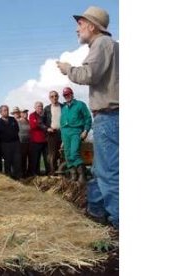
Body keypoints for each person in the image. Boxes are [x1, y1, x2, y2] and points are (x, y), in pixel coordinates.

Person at [56, 6, 119, 228]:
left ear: (91, 26)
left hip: (109, 116)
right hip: (111, 117)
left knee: (109, 172)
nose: (77, 29)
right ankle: (96, 211)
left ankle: (117, 222)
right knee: (101, 170)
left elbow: (89, 74)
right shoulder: (114, 47)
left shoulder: (101, 44)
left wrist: (68, 69)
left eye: (80, 24)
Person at [60, 87, 92, 183]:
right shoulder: (64, 108)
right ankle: (74, 175)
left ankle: (82, 175)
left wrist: (85, 130)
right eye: (65, 95)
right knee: (67, 155)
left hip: (75, 131)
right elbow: (62, 123)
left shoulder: (80, 105)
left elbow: (88, 118)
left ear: (72, 94)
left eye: (68, 94)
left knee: (74, 153)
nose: (67, 96)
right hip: (65, 133)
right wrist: (62, 140)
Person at [0, 105, 22, 179]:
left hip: (15, 143)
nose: (6, 111)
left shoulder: (13, 119)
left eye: (7, 110)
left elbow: (17, 129)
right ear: (0, 112)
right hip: (5, 145)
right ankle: (9, 178)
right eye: (4, 110)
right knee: (7, 161)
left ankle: (18, 178)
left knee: (17, 161)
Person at [43, 90, 64, 175]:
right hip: (52, 134)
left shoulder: (63, 106)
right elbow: (41, 122)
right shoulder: (47, 108)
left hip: (63, 133)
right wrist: (47, 128)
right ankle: (53, 172)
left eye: (56, 96)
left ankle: (62, 172)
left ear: (58, 97)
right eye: (52, 96)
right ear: (49, 98)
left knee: (63, 152)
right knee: (53, 154)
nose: (54, 98)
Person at [29, 101, 49, 176]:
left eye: (41, 106)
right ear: (35, 107)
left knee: (47, 158)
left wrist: (41, 124)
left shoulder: (45, 115)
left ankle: (48, 173)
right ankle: (35, 174)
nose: (40, 107)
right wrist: (45, 127)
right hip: (35, 141)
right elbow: (33, 126)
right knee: (35, 159)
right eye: (38, 106)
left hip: (45, 140)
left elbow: (47, 124)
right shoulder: (32, 115)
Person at [17, 108, 31, 177]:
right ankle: (22, 173)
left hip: (29, 142)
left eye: (26, 112)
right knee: (23, 159)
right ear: (21, 114)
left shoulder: (28, 121)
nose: (25, 113)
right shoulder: (18, 122)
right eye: (24, 112)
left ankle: (28, 173)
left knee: (30, 158)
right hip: (21, 143)